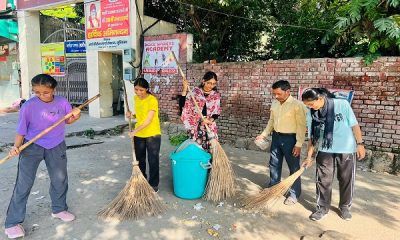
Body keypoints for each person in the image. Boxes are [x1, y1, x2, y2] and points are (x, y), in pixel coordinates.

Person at [4, 74, 81, 239]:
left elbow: (68, 120)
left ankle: (59, 209)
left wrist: (76, 115)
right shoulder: (29, 106)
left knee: (59, 179)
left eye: (45, 92)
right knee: (24, 183)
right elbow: (21, 129)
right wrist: (16, 147)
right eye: (37, 92)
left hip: (56, 144)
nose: (41, 95)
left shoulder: (62, 102)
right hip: (31, 146)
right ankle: (12, 222)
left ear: (53, 89)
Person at [301, 88, 365, 221]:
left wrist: (360, 144)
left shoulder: (342, 105)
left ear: (320, 99)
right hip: (325, 149)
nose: (310, 107)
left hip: (346, 148)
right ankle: (322, 208)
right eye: (307, 105)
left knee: (346, 179)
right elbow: (312, 137)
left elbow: (354, 125)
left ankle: (345, 206)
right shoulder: (311, 114)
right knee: (323, 179)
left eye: (311, 104)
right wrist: (309, 157)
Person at [256, 80, 307, 205]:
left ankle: (294, 194)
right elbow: (271, 121)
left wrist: (299, 144)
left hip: (291, 139)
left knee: (293, 167)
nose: (276, 96)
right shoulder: (275, 103)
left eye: (278, 94)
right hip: (276, 137)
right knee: (274, 163)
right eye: (274, 94)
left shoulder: (297, 105)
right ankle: (274, 187)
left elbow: (302, 126)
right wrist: (263, 134)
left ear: (288, 91)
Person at [127, 78, 161, 193]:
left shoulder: (152, 100)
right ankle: (142, 181)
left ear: (146, 89)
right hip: (139, 134)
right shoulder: (136, 98)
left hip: (152, 133)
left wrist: (134, 132)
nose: (138, 92)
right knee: (140, 159)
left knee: (153, 160)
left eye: (141, 90)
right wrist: (132, 115)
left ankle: (154, 185)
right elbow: (141, 116)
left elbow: (148, 120)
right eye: (136, 90)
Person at [179, 71, 221, 151]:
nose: (211, 86)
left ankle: (209, 163)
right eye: (209, 83)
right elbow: (183, 105)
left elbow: (216, 113)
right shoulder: (195, 92)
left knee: (211, 149)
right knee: (197, 148)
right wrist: (184, 89)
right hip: (196, 127)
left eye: (214, 83)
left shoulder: (216, 95)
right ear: (203, 81)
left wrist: (209, 120)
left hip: (209, 127)